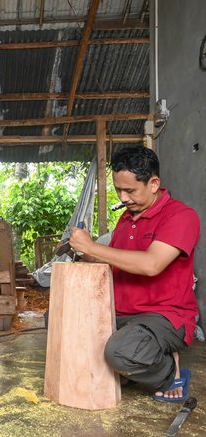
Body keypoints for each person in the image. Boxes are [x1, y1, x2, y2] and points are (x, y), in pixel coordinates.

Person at [69, 145, 200, 402]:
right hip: (122, 312)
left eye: (130, 190)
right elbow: (116, 261)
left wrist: (93, 246)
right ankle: (134, 365)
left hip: (164, 315)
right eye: (118, 190)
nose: (123, 198)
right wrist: (86, 252)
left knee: (120, 352)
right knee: (65, 322)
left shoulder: (182, 216)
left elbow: (151, 264)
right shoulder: (126, 220)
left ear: (153, 183)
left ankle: (167, 371)